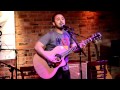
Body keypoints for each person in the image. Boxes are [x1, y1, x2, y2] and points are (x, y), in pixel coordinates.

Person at [34, 13, 86, 79]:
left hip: (65, 67)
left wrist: (80, 47)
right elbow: (37, 47)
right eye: (58, 19)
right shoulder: (50, 35)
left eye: (62, 19)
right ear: (53, 23)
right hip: (52, 68)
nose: (61, 21)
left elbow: (74, 49)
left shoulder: (68, 34)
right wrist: (49, 58)